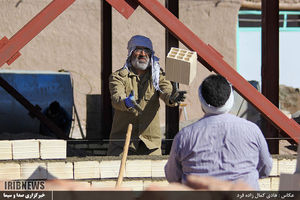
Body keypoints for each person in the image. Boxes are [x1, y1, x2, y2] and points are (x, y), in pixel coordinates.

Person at [164, 74, 272, 190]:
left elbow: (173, 177)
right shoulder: (252, 130)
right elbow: (265, 168)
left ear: (202, 100)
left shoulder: (184, 136)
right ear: (230, 98)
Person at [107, 35, 186, 156]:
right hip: (122, 144)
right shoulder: (118, 77)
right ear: (131, 52)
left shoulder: (157, 76)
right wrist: (126, 102)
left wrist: (172, 97)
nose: (143, 54)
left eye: (146, 51)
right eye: (138, 49)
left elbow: (166, 91)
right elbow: (117, 98)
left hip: (150, 144)